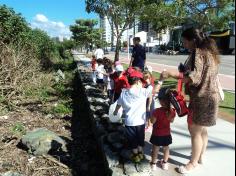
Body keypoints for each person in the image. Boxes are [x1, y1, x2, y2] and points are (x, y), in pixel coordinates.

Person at [161, 27, 220, 173]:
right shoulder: (210, 53)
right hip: (211, 97)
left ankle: (192, 163)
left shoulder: (198, 53)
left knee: (195, 131)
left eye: (185, 42)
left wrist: (171, 74)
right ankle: (200, 156)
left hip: (202, 99)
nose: (184, 44)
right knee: (202, 130)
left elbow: (194, 78)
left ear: (193, 40)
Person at [113, 70, 153, 163]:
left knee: (133, 141)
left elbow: (118, 104)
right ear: (138, 81)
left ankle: (135, 156)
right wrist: (149, 82)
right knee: (140, 139)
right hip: (140, 122)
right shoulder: (143, 92)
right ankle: (141, 153)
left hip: (129, 122)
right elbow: (151, 88)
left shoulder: (124, 93)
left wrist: (115, 112)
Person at [149, 87, 176, 171]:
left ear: (160, 101)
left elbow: (152, 121)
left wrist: (151, 117)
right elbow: (171, 121)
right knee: (166, 148)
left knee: (155, 149)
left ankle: (153, 164)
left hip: (157, 134)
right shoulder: (172, 111)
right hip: (167, 134)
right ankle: (164, 163)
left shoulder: (157, 111)